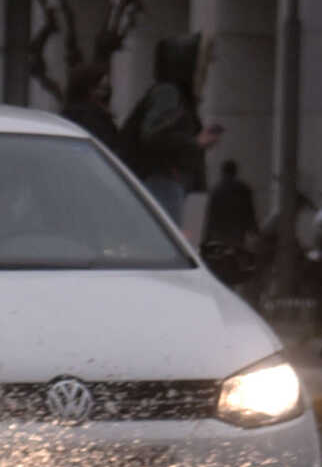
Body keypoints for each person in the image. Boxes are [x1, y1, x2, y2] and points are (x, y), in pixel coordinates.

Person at [122, 35, 224, 226]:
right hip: (163, 182)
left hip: (166, 183)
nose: (205, 75)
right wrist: (195, 142)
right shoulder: (169, 93)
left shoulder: (174, 95)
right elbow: (154, 135)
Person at [203, 157, 260, 290]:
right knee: (235, 260)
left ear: (223, 172)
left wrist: (207, 236)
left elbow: (210, 215)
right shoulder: (243, 189)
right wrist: (254, 230)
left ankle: (223, 285)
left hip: (219, 233)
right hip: (237, 233)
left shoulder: (216, 190)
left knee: (220, 262)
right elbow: (250, 212)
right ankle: (232, 285)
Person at [60, 63, 122, 151]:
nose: (104, 94)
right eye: (100, 88)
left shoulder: (67, 117)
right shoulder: (89, 119)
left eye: (107, 89)